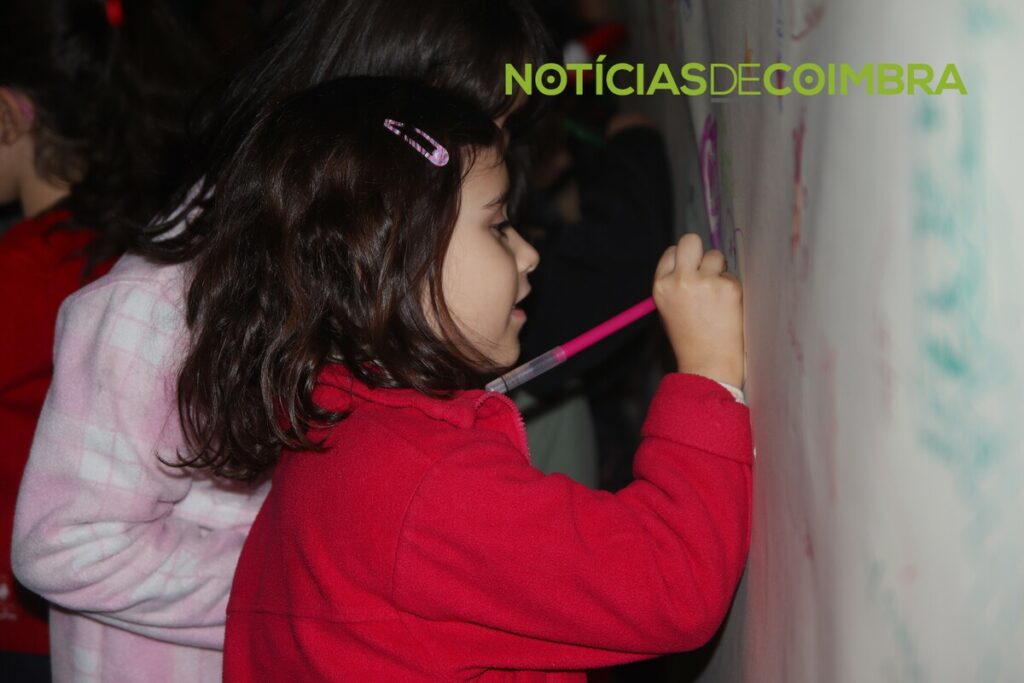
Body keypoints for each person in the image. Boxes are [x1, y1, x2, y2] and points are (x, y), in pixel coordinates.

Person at [11, 1, 553, 681]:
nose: (492, 151)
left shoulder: (363, 283)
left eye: (504, 128)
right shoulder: (161, 303)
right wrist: (308, 581)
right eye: (468, 124)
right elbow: (65, 543)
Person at [178, 76, 751, 681]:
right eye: (497, 226)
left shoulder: (333, 424)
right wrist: (709, 376)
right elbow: (669, 585)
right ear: (392, 257)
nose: (528, 254)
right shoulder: (424, 484)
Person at [0, 0, 208, 678]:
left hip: (26, 618)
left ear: (10, 114)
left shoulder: (23, 270)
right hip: (102, 620)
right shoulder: (149, 240)